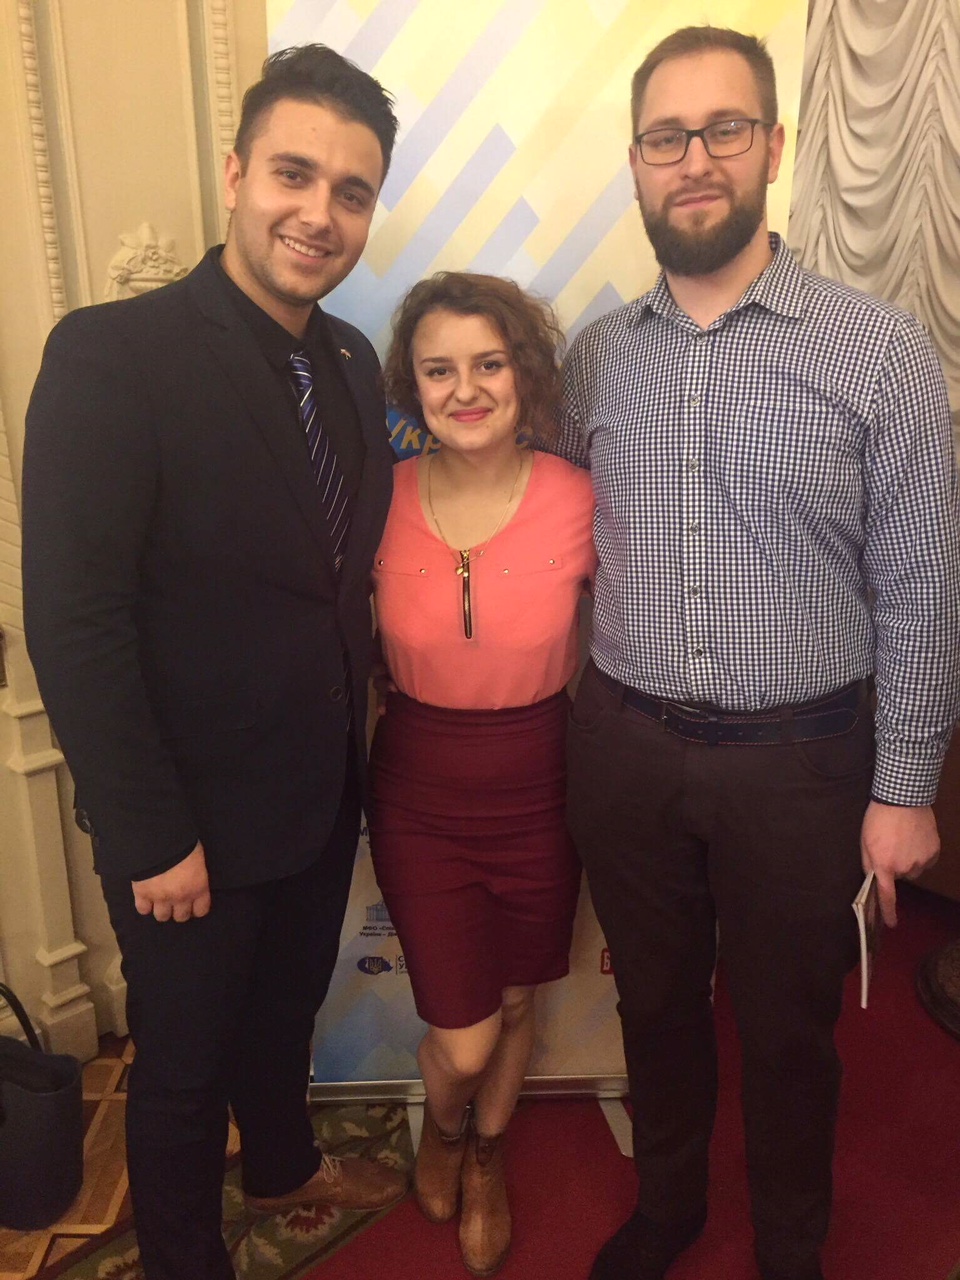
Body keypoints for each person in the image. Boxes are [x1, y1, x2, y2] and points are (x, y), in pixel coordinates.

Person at [548, 25, 960, 1280]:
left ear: (774, 146)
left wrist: (905, 788)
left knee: (789, 1029)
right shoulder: (594, 359)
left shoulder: (878, 350)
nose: (695, 160)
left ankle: (790, 1242)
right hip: (624, 749)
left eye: (724, 129)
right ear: (635, 162)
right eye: (666, 137)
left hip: (802, 763)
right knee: (655, 1004)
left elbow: (923, 580)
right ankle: (669, 1207)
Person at [22, 45, 403, 1280]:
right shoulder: (112, 354)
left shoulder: (351, 361)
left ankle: (286, 1167)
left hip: (316, 791)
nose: (320, 212)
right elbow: (75, 619)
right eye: (295, 173)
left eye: (352, 190)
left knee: (284, 1015)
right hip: (185, 821)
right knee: (182, 1071)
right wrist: (149, 834)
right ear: (236, 174)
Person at [369, 271, 595, 1277]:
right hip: (419, 786)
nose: (465, 389)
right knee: (462, 1036)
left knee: (514, 1002)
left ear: (524, 372)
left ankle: (487, 1155)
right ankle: (445, 1121)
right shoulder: (376, 500)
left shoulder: (580, 497)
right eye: (439, 369)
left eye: (489, 363)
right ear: (411, 385)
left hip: (545, 780)